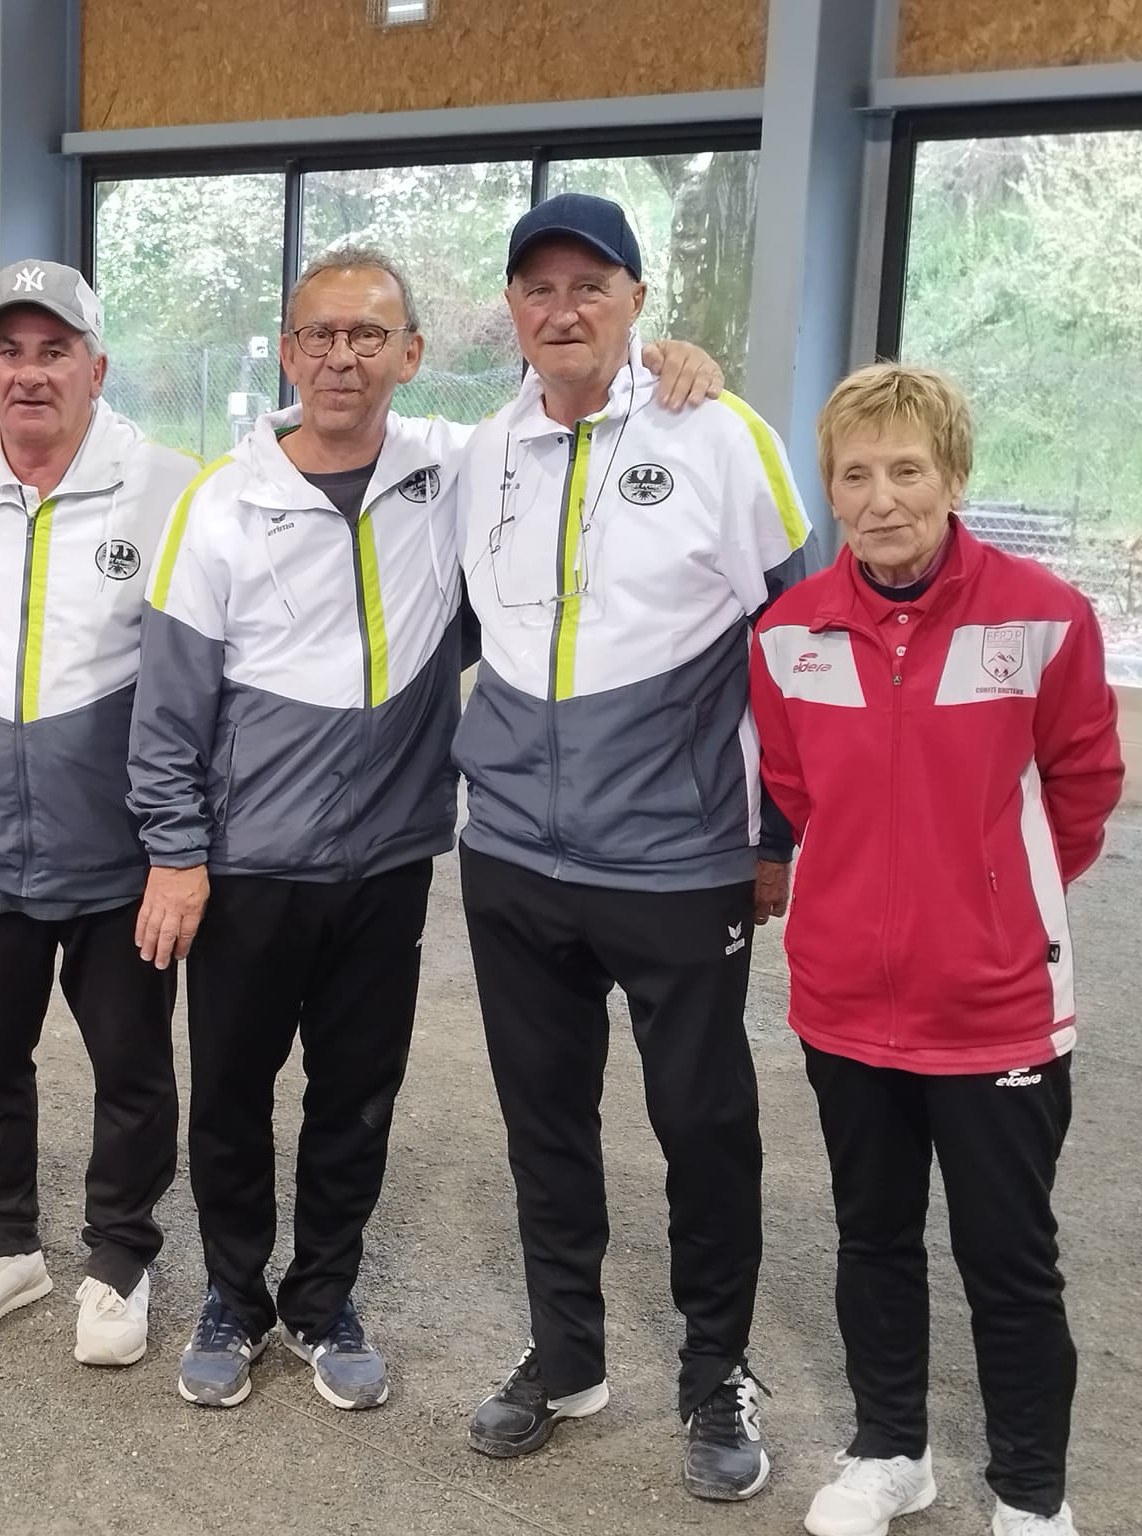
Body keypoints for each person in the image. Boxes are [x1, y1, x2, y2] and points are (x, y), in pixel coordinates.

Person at [128, 243, 723, 1413]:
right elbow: (166, 707)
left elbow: (579, 415)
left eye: (366, 336)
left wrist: (672, 368)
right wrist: (174, 850)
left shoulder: (457, 469)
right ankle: (234, 1298)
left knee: (356, 1096)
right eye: (317, 335)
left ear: (409, 354)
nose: (339, 357)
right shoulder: (221, 503)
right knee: (233, 1094)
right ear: (288, 352)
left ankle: (321, 1298)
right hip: (249, 864)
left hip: (389, 861)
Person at [452, 193, 813, 1499]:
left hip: (677, 863)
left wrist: (778, 831)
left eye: (589, 286)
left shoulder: (716, 433)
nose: (562, 309)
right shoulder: (482, 450)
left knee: (703, 1121)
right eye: (538, 288)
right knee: (544, 1123)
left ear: (638, 301)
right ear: (513, 309)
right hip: (512, 863)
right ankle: (566, 1352)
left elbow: (799, 645)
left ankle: (715, 1367)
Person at [750, 365, 1121, 1536]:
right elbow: (798, 794)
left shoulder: (1042, 617)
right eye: (852, 475)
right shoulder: (787, 633)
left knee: (1009, 1260)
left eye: (904, 469)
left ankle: (1028, 1493)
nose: (879, 498)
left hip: (996, 1006)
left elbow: (1081, 787)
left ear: (952, 477)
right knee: (869, 1238)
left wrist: (987, 900)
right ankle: (889, 1450)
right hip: (843, 1003)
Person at [0, 261, 196, 1367]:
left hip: (117, 855)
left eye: (53, 350)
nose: (29, 373)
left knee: (130, 1065)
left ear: (95, 367)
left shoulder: (166, 484)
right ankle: (1, 1243)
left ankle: (119, 1256)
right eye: (8, 351)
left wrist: (180, 848)